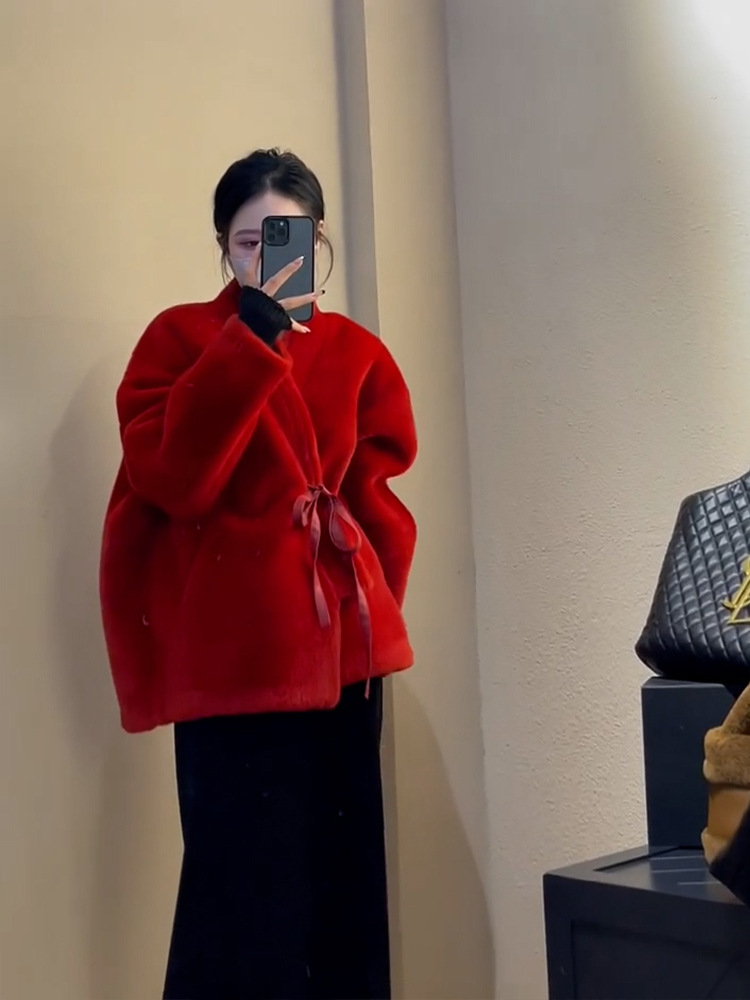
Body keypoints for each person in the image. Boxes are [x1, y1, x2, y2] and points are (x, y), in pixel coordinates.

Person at [99, 148, 418, 1000]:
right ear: (222, 246)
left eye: (288, 239)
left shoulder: (355, 351)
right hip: (231, 669)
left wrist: (370, 612)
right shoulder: (179, 340)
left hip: (343, 668)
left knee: (343, 896)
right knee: (236, 907)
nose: (266, 258)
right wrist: (249, 341)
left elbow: (377, 501)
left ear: (318, 243)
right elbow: (172, 477)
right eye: (249, 242)